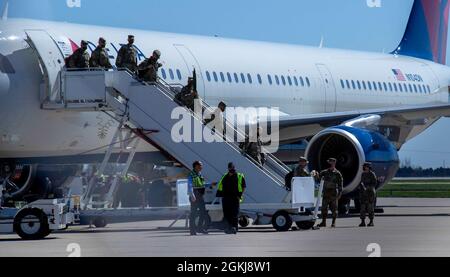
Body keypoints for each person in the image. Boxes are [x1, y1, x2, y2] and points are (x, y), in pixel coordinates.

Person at [216, 163, 246, 234]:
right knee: (226, 214)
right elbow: (220, 185)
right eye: (230, 168)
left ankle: (234, 228)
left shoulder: (239, 176)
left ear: (234, 167)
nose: (231, 169)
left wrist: (240, 195)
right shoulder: (225, 176)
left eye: (232, 167)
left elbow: (243, 186)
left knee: (234, 214)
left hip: (235, 198)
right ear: (228, 168)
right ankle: (228, 228)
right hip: (225, 198)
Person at [316, 158, 343, 228]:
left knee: (334, 208)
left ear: (334, 163)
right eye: (329, 162)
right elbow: (318, 179)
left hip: (333, 193)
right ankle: (323, 222)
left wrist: (340, 193)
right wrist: (316, 175)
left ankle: (333, 222)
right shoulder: (324, 172)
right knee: (324, 208)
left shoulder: (337, 173)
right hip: (326, 192)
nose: (330, 163)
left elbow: (340, 184)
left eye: (331, 162)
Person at [188, 161, 209, 235]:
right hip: (195, 195)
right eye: (200, 165)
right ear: (196, 166)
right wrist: (192, 195)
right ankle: (192, 230)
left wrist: (209, 184)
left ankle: (200, 228)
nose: (201, 167)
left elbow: (202, 184)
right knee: (193, 213)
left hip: (200, 195)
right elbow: (190, 185)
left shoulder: (199, 174)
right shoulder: (191, 175)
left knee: (203, 212)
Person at [358, 162, 378, 227]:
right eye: (364, 166)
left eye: (366, 166)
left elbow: (374, 183)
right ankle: (362, 221)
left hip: (370, 193)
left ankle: (371, 221)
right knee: (362, 208)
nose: (365, 167)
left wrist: (368, 187)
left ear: (369, 167)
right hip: (364, 193)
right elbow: (361, 182)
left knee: (370, 208)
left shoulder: (372, 174)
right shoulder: (363, 174)